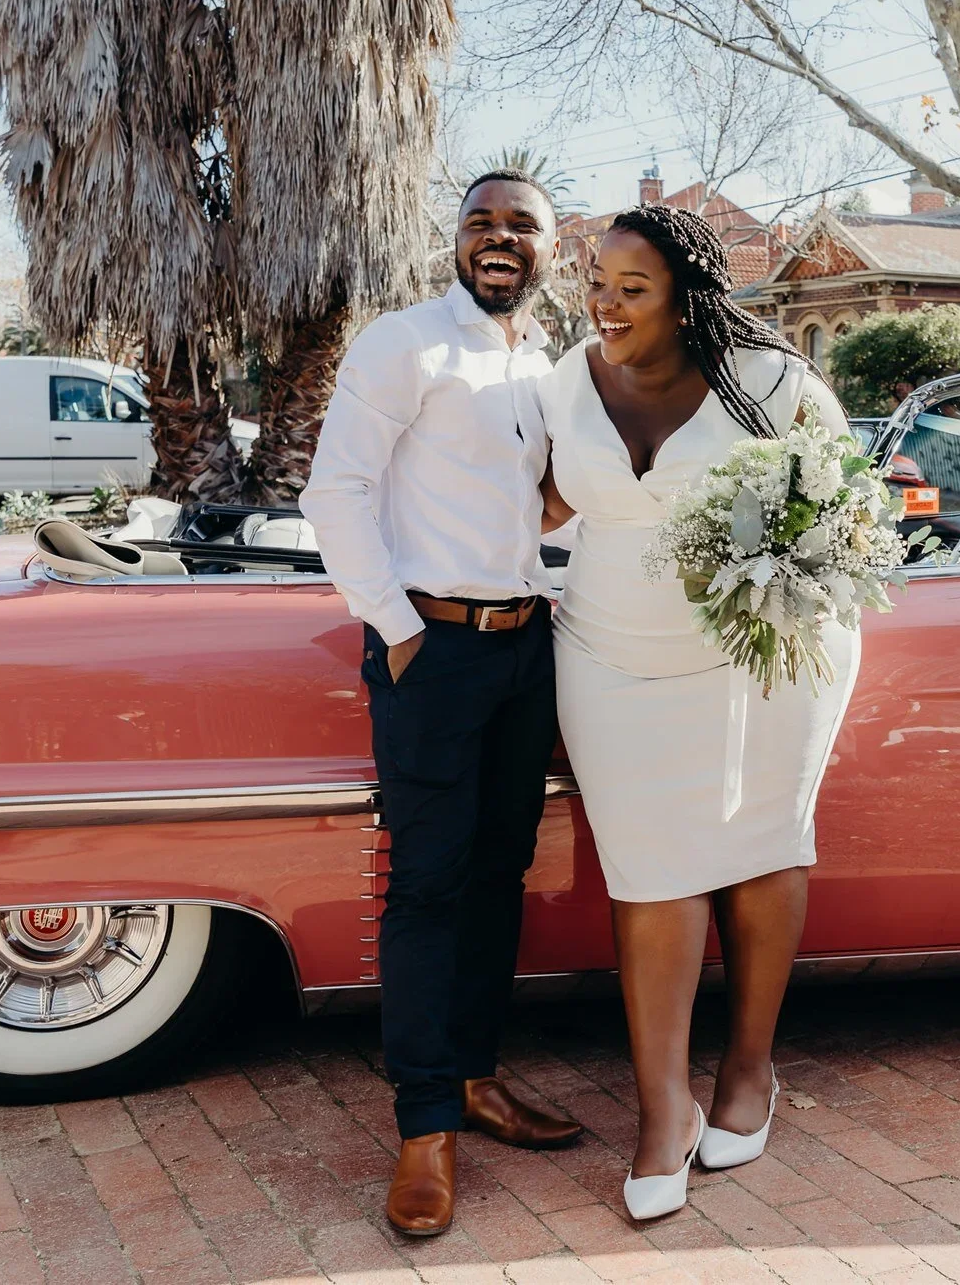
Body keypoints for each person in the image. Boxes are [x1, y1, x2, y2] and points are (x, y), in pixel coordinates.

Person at [536, 204, 859, 1221]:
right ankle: (659, 1110)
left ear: (685, 294)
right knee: (648, 871)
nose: (604, 303)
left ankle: (748, 1074)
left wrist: (785, 566)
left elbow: (845, 503)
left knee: (763, 846)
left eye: (630, 289)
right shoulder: (563, 381)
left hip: (761, 655)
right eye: (596, 282)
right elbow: (536, 502)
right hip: (607, 651)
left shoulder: (768, 381)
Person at [299, 169, 583, 1240]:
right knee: (423, 889)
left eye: (522, 225)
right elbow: (336, 490)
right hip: (433, 652)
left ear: (552, 247)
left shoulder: (545, 366)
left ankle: (471, 1078)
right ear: (455, 241)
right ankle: (423, 1128)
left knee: (499, 874)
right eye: (481, 222)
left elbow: (548, 506)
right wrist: (397, 628)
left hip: (526, 650)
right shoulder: (404, 342)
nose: (499, 238)